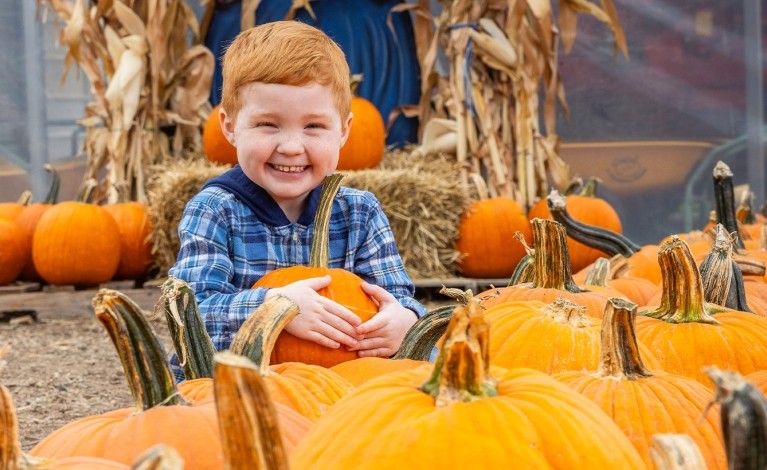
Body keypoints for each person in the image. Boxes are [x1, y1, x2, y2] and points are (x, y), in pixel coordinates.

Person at [169, 21, 425, 378]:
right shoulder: (215, 210)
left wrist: (405, 319)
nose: (291, 147)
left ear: (344, 131)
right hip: (241, 390)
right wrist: (276, 308)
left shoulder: (360, 214)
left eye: (314, 127)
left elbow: (397, 296)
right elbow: (190, 318)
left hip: (341, 392)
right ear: (229, 127)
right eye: (268, 125)